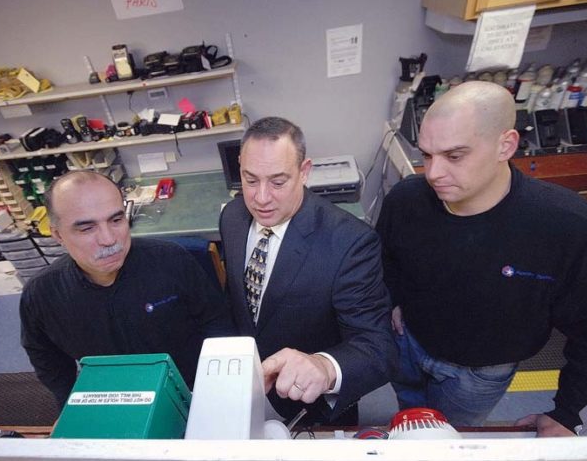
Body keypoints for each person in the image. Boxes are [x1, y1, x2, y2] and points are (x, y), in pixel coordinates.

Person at [376, 81, 587, 436]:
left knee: (451, 439)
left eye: (454, 156)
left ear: (505, 145)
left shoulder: (570, 228)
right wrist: (393, 302)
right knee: (409, 413)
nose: (433, 173)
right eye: (427, 155)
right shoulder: (405, 201)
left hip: (479, 374)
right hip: (409, 342)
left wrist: (568, 412)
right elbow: (386, 259)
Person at [219, 116, 396, 425]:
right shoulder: (232, 216)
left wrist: (325, 368)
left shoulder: (350, 243)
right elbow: (238, 299)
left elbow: (378, 348)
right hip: (249, 388)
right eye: (250, 180)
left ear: (304, 171)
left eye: (277, 182)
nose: (261, 198)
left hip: (310, 403)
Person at [20, 171, 235, 411]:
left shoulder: (172, 261)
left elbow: (217, 321)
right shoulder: (41, 295)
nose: (109, 239)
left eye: (116, 220)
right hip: (115, 402)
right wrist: (70, 405)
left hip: (193, 392)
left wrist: (218, 385)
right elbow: (46, 357)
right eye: (87, 228)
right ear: (58, 234)